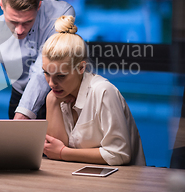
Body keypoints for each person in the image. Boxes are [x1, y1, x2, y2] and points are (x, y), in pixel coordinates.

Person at [42, 15, 146, 166]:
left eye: (60, 76)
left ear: (81, 68)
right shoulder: (59, 94)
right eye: (46, 73)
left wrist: (64, 152)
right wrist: (51, 101)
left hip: (120, 182)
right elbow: (54, 151)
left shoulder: (103, 91)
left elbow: (119, 154)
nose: (51, 83)